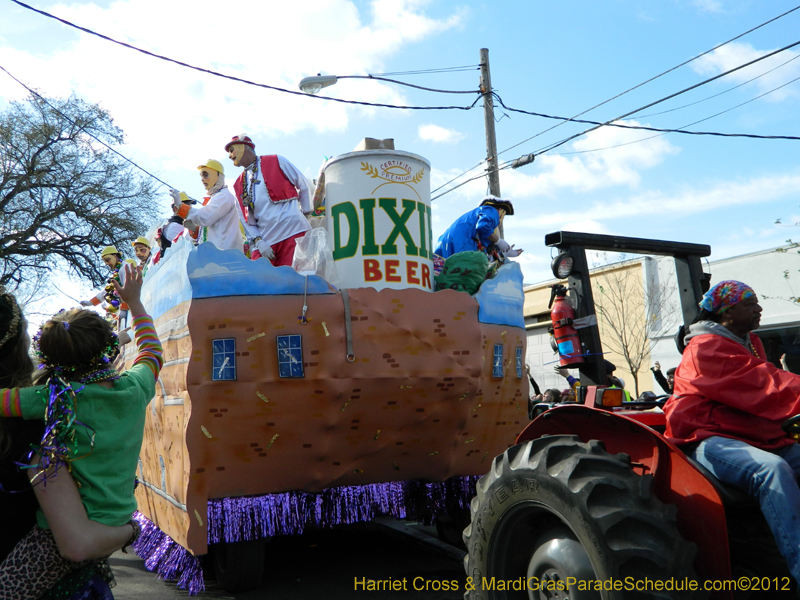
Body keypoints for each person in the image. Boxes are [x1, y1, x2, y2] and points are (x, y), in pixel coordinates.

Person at [0, 264, 163, 598]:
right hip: (114, 521)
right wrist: (135, 303)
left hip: (58, 538)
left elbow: (5, 402)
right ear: (108, 350)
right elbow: (152, 353)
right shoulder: (135, 389)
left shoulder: (53, 398)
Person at [664, 280, 800, 586]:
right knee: (771, 470)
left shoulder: (749, 342)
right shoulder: (706, 348)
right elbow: (766, 386)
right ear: (727, 311)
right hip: (707, 437)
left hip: (747, 432)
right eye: (750, 303)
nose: (759, 308)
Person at [225, 134, 311, 266]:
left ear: (244, 146)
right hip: (266, 242)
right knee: (259, 282)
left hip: (293, 232)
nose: (230, 156)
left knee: (295, 280)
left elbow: (304, 185)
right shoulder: (238, 185)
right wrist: (259, 242)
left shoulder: (276, 161)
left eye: (232, 150)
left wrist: (306, 214)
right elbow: (246, 220)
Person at [170, 159, 243, 253]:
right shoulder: (216, 197)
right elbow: (210, 230)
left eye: (206, 175)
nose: (202, 179)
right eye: (201, 176)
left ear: (217, 176)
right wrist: (195, 230)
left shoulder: (223, 197)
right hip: (216, 255)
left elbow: (205, 218)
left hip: (223, 255)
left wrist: (181, 207)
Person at [434, 196, 522, 260]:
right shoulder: (491, 211)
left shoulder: (472, 219)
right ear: (500, 210)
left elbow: (485, 244)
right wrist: (499, 241)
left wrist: (503, 253)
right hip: (460, 245)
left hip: (444, 245)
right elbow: (483, 227)